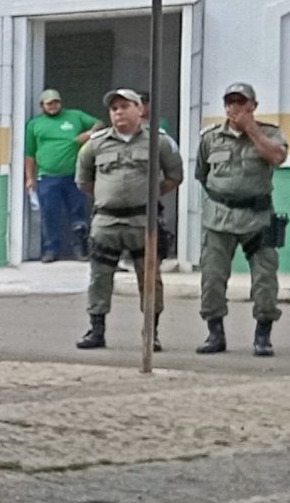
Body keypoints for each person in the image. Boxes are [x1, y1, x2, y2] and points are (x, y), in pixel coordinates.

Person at [73, 87, 184, 351]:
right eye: (114, 109)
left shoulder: (159, 141)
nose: (119, 113)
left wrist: (146, 195)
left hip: (143, 221)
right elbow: (84, 182)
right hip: (106, 222)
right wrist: (110, 196)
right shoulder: (95, 144)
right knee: (100, 277)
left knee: (150, 278)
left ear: (139, 109)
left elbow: (174, 176)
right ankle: (96, 330)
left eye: (124, 107)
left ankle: (151, 332)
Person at [192, 84, 283, 356]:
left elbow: (277, 157)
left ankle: (263, 335)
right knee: (212, 277)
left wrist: (251, 130)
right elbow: (202, 174)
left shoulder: (269, 133)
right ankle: (215, 333)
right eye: (230, 102)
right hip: (219, 217)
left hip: (258, 218)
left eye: (241, 102)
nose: (234, 108)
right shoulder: (211, 138)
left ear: (252, 106)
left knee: (265, 279)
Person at [24, 88, 95, 262]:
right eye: (49, 103)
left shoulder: (75, 116)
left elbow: (99, 124)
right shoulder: (34, 125)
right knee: (49, 214)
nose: (53, 106)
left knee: (78, 214)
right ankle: (50, 250)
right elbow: (29, 153)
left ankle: (80, 250)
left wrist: (88, 134)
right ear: (42, 105)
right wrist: (29, 177)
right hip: (47, 177)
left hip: (74, 176)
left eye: (56, 102)